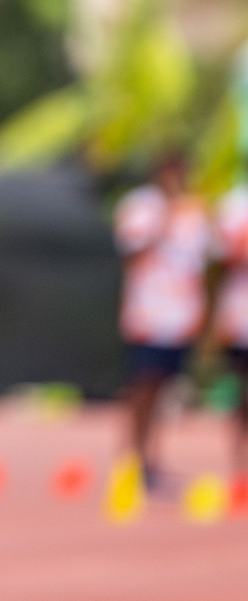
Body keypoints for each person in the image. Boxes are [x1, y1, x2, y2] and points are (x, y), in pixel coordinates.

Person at [112, 154, 210, 488]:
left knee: (164, 393)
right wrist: (164, 216)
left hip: (178, 318)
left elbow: (196, 267)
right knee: (142, 386)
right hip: (147, 315)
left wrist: (198, 311)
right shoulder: (141, 206)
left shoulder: (193, 211)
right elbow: (132, 255)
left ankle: (150, 460)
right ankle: (130, 457)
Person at [212, 179, 248, 495]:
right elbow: (224, 259)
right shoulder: (235, 205)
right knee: (241, 393)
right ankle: (239, 466)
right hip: (240, 318)